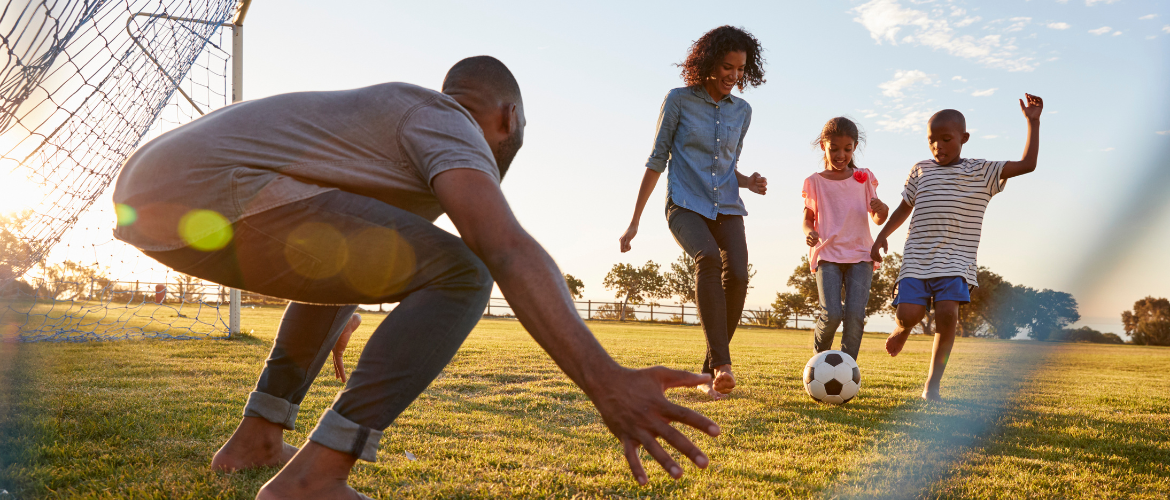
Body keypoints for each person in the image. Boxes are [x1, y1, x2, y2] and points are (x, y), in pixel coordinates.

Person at [111, 56, 721, 499]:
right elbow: (504, 247)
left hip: (159, 195)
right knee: (465, 271)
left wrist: (338, 296)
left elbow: (343, 239)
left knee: (388, 258)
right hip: (207, 189)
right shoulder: (443, 119)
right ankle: (316, 478)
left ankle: (256, 441)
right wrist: (604, 378)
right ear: (509, 117)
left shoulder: (397, 129)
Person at [618, 26, 767, 401]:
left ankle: (709, 371)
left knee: (737, 274)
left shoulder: (742, 111)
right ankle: (723, 365)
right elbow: (657, 160)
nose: (734, 76)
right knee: (708, 258)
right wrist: (635, 220)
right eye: (727, 67)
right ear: (708, 63)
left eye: (740, 69)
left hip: (728, 206)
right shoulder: (679, 100)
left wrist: (749, 181)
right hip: (684, 204)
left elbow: (726, 165)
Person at [871, 94, 1044, 401]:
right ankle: (902, 329)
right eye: (931, 141)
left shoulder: (981, 171)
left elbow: (1028, 165)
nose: (938, 146)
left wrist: (1033, 122)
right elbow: (903, 207)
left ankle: (932, 384)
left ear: (964, 138)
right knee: (909, 314)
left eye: (946, 139)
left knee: (948, 315)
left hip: (956, 261)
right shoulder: (920, 170)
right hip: (917, 259)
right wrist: (882, 235)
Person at [801, 117, 888, 362]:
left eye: (847, 149)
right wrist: (809, 232)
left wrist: (883, 209)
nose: (841, 155)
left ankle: (847, 367)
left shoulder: (864, 178)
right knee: (831, 314)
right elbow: (807, 219)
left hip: (861, 255)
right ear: (823, 146)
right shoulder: (815, 182)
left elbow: (878, 219)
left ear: (855, 147)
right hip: (827, 255)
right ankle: (819, 363)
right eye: (834, 149)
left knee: (854, 315)